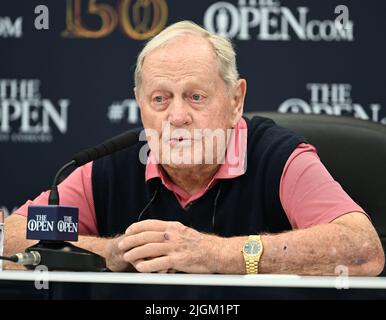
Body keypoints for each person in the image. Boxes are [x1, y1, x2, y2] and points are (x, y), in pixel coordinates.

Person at [5, 21, 384, 276]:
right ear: (140, 104)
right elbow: (15, 235)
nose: (178, 116)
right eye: (160, 99)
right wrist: (112, 251)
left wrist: (214, 254)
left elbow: (361, 248)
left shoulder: (280, 160)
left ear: (236, 100)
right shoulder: (109, 168)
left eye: (196, 97)